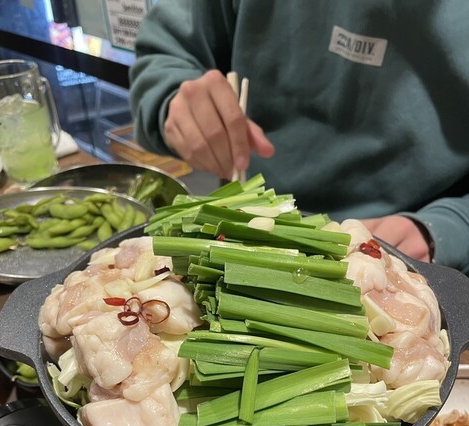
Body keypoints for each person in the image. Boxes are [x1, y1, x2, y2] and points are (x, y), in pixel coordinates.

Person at [129, 1, 469, 273]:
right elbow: (166, 54)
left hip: (404, 253)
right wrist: (173, 100)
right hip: (244, 220)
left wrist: (448, 226)